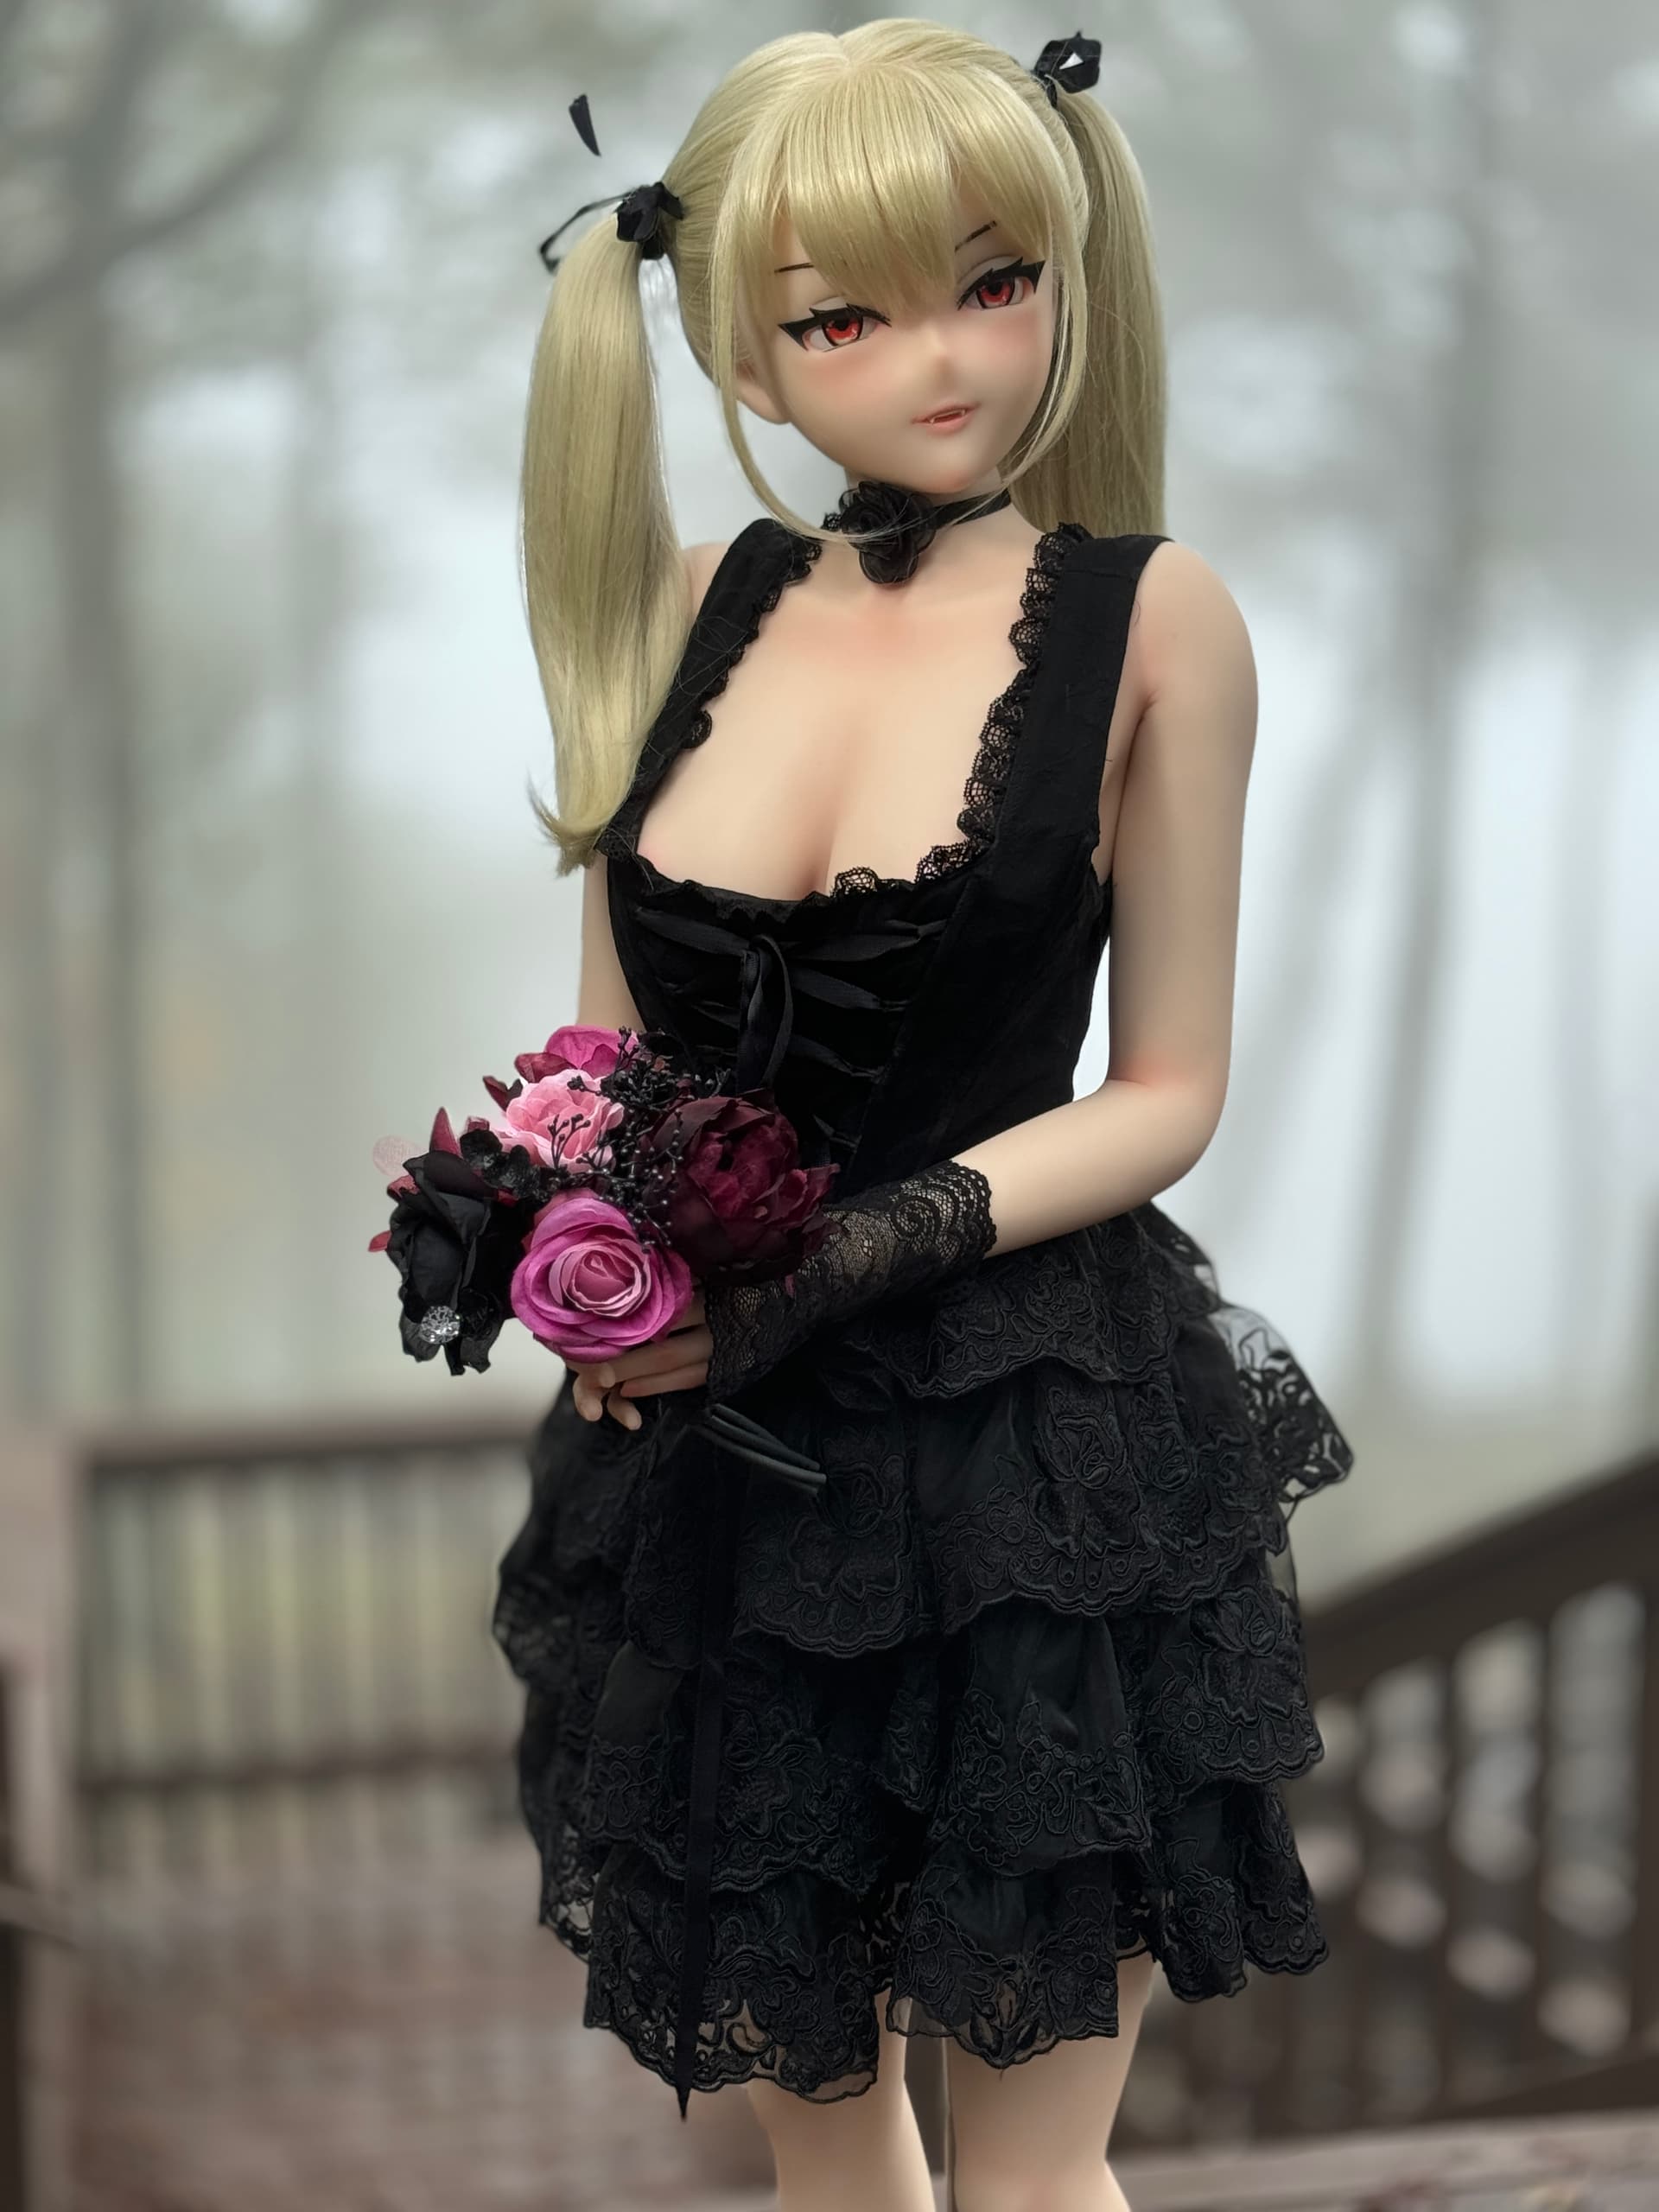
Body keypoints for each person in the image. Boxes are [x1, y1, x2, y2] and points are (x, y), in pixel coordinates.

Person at [489, 22, 1355, 2211]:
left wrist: (853, 1244)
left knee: (1038, 2173)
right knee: (832, 2163)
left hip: (1032, 1444)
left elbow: (1168, 1089)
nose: (946, 356)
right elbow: (605, 1048)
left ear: (1069, 272)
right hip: (726, 1468)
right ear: (744, 359)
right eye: (844, 317)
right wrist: (581, 1259)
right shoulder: (694, 607)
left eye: (993, 279)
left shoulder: (1153, 620)